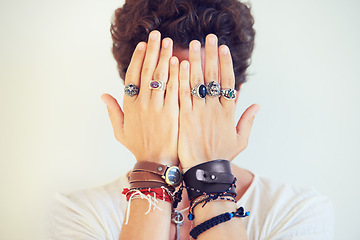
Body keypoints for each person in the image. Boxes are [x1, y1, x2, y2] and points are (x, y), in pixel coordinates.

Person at [47, 0, 334, 239]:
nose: (182, 108)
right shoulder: (79, 214)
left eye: (201, 92)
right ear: (132, 100)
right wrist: (154, 165)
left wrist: (211, 176)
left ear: (233, 97)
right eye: (164, 88)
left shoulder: (297, 211)